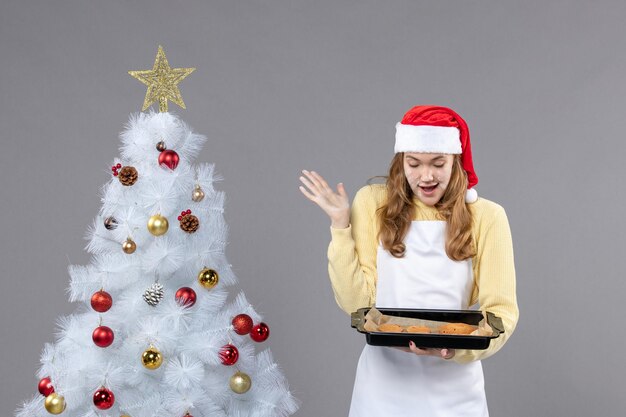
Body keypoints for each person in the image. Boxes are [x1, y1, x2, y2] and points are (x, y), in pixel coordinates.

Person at [299, 105, 518, 417]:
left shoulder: (487, 217)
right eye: (413, 163)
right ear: (400, 161)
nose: (425, 176)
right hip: (383, 389)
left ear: (455, 162)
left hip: (454, 391)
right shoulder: (373, 202)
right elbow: (357, 303)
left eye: (438, 164)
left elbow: (501, 314)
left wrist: (453, 349)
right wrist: (340, 225)